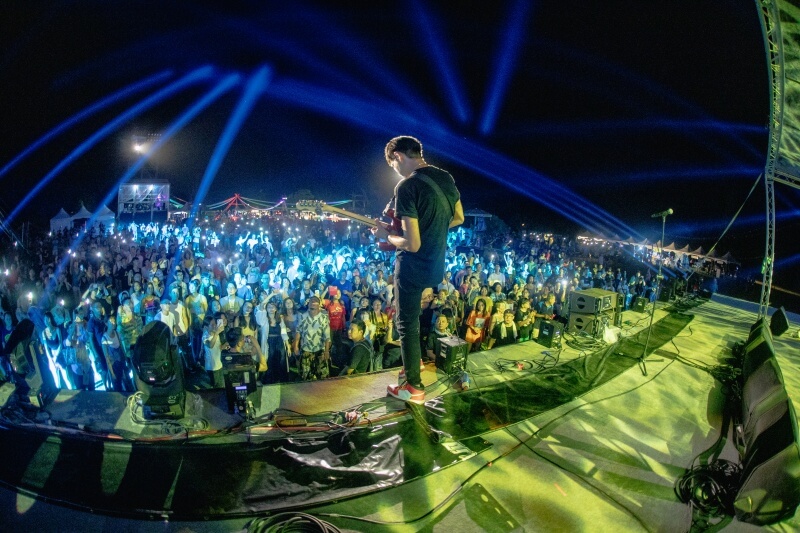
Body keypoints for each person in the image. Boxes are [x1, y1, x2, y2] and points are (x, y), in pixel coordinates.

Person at [374, 136, 463, 404]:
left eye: (393, 165)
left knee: (405, 323)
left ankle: (413, 387)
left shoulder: (407, 186)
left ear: (398, 156)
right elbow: (458, 217)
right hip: (435, 265)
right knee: (412, 323)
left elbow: (411, 244)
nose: (395, 171)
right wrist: (431, 230)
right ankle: (414, 363)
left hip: (412, 267)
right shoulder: (445, 177)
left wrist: (387, 237)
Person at [292, 296, 331, 381]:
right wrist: (295, 346)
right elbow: (298, 331)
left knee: (322, 376)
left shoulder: (324, 318)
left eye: (315, 303)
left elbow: (327, 336)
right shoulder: (303, 317)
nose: (312, 305)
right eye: (311, 303)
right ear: (308, 304)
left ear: (319, 305)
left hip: (319, 349)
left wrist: (327, 351)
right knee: (306, 376)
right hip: (306, 350)